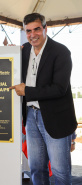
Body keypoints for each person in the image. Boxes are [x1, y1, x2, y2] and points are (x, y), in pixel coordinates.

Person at [10, 13, 77, 185]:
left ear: (45, 28)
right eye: (28, 31)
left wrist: (27, 91)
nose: (33, 35)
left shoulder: (61, 52)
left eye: (37, 29)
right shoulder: (23, 51)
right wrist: (8, 52)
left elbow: (59, 89)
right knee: (36, 169)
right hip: (31, 118)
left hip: (56, 119)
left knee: (60, 172)